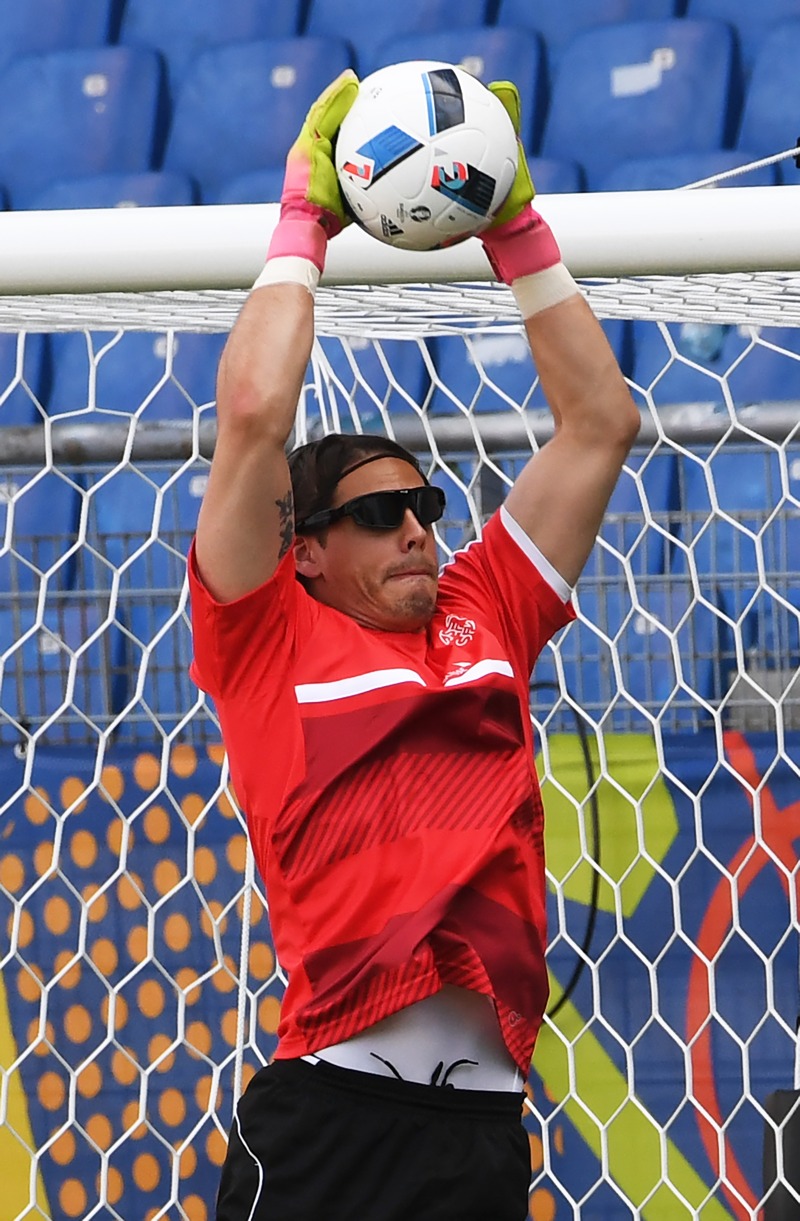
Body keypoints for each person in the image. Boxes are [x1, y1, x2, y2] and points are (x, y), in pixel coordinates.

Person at [188, 68, 640, 1221]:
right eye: (378, 513)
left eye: (426, 508)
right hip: (328, 1116)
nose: (415, 530)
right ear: (304, 548)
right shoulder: (262, 640)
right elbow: (251, 422)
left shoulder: (482, 606)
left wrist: (518, 231)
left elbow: (598, 425)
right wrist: (304, 225)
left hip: (482, 1132)